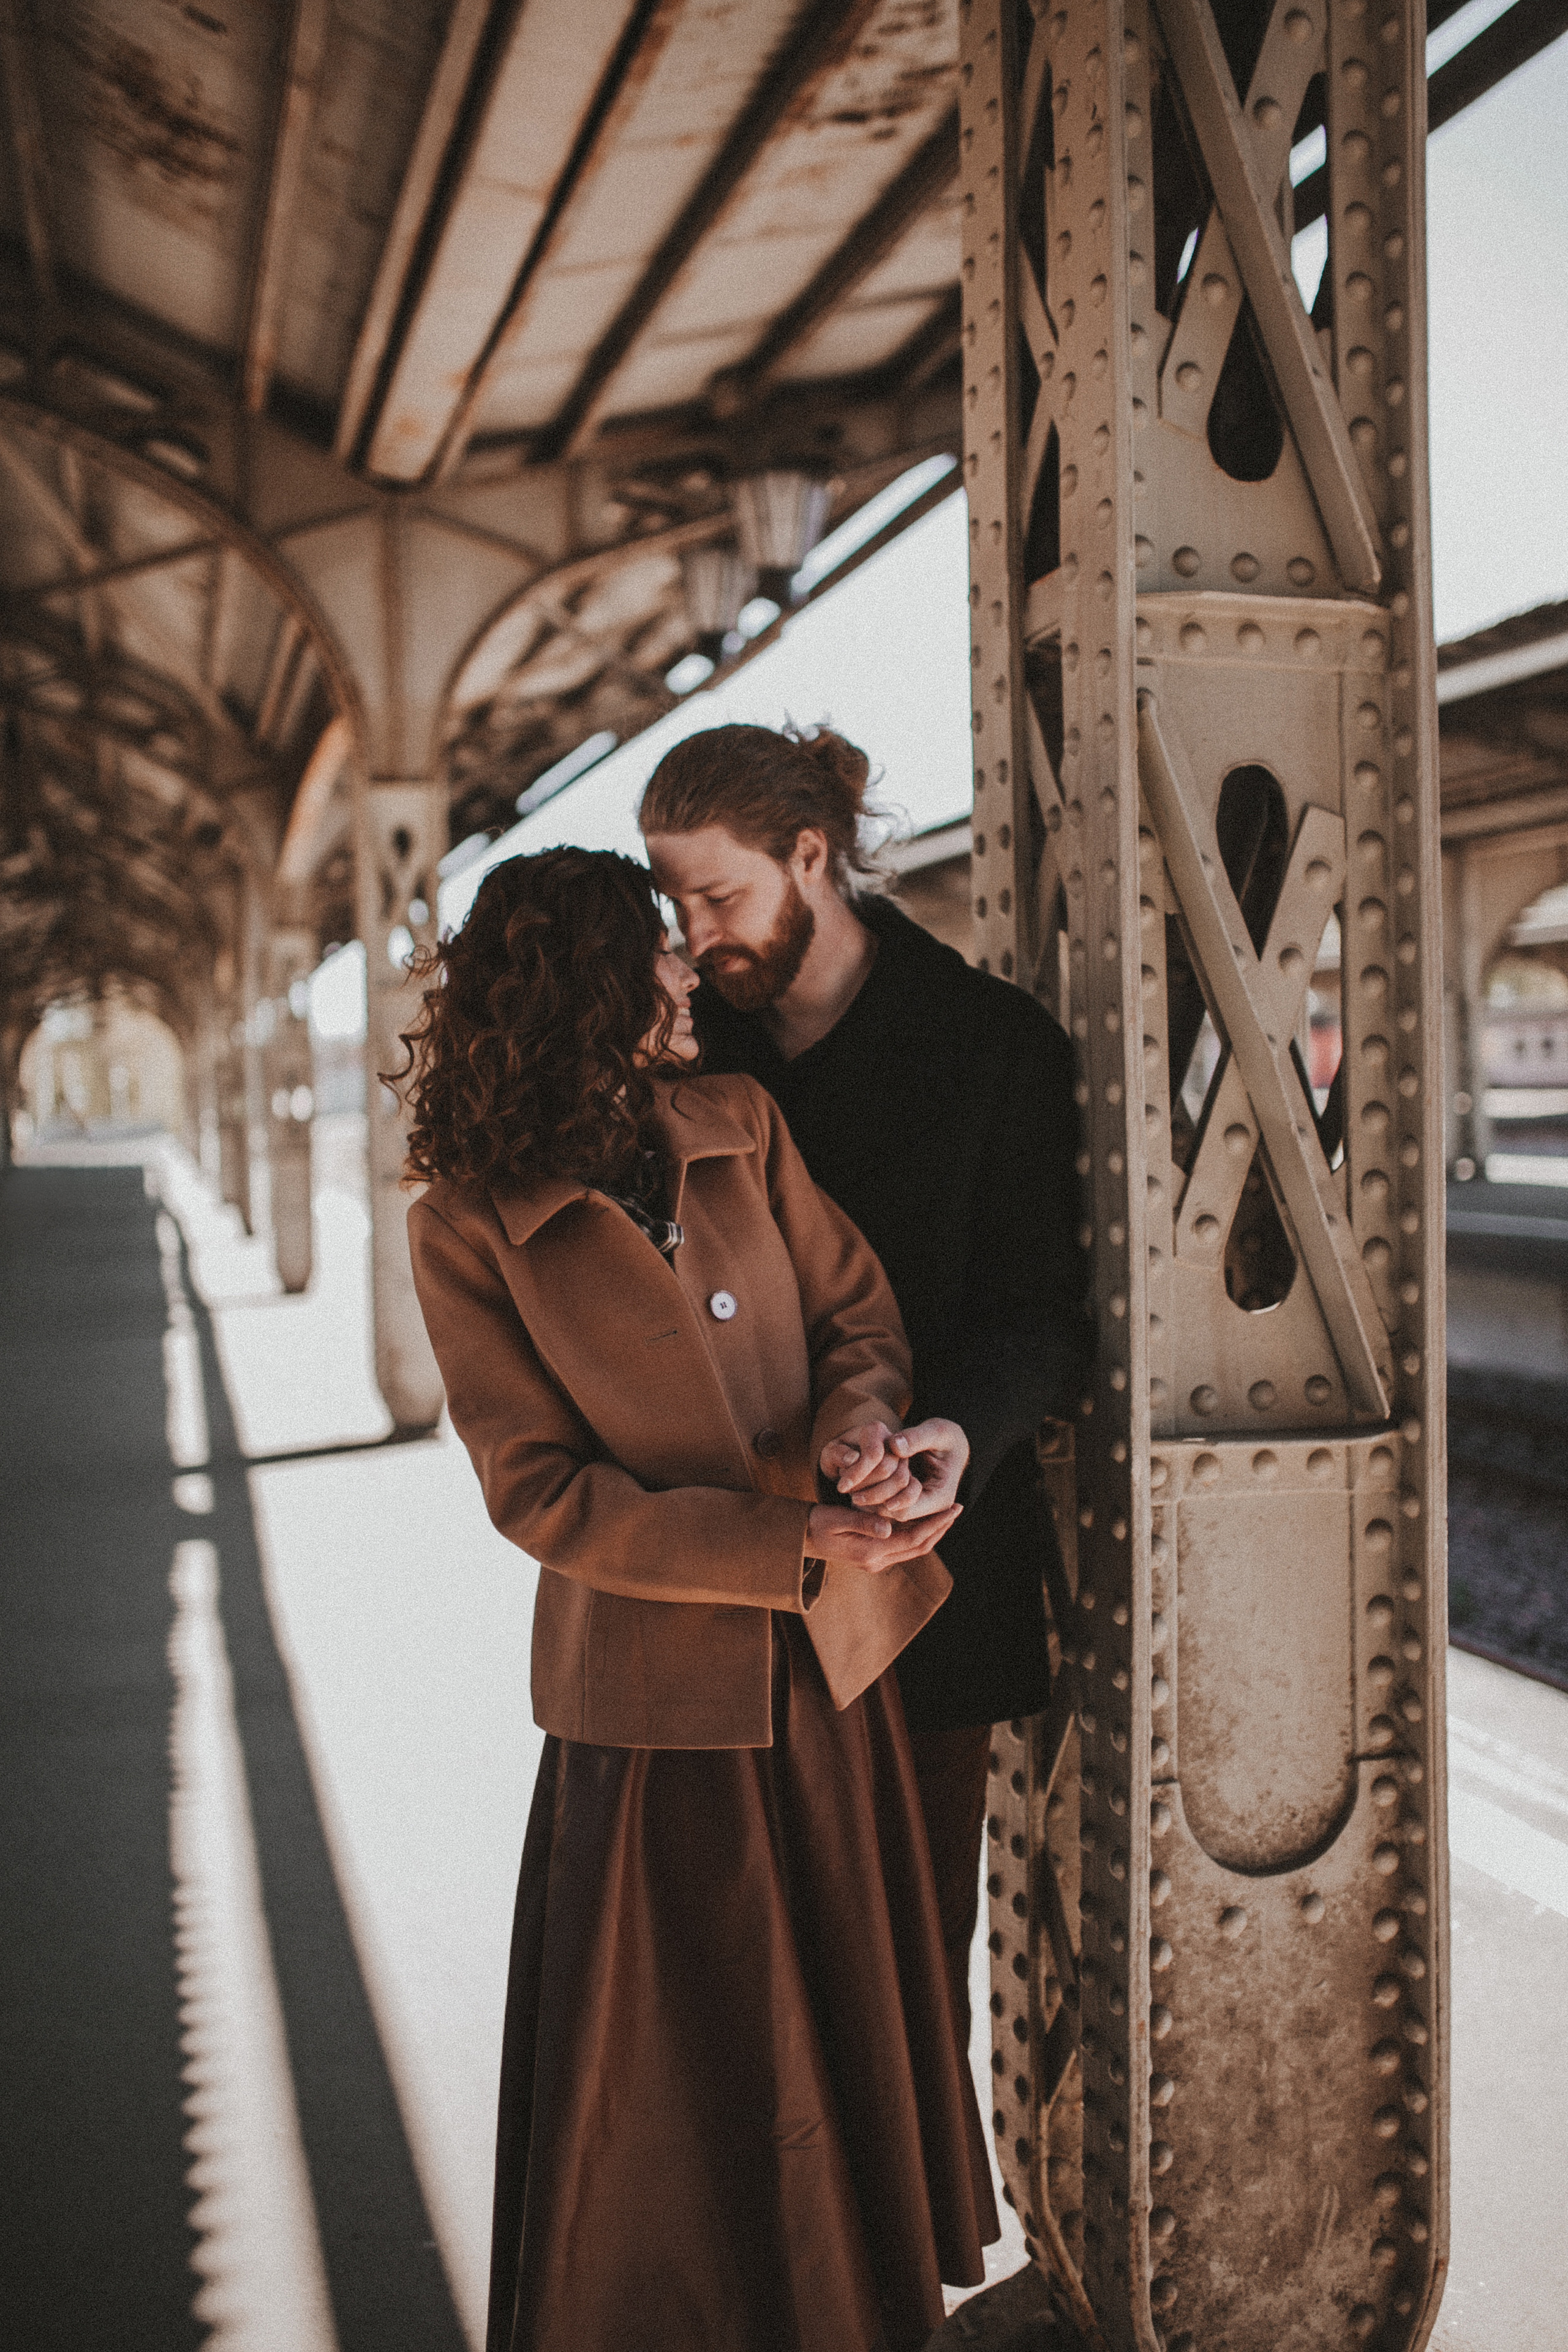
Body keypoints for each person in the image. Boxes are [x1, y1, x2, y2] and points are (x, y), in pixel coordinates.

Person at [396, 847, 998, 2352]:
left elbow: (858, 1312)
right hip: (654, 1706)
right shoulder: (465, 1220)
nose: (684, 972)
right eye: (656, 951)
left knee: (834, 2028)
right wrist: (784, 1548)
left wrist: (863, 1439)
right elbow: (538, 1493)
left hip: (825, 1667)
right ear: (586, 982)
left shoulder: (737, 1122)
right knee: (680, 2074)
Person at [641, 723, 1092, 2045]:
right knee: (719, 1983)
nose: (694, 932)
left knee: (896, 1975)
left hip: (921, 1574)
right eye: (672, 902)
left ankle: (893, 2253)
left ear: (810, 854)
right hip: (720, 1571)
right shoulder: (680, 1051)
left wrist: (955, 1432)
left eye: (717, 896)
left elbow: (1040, 1314)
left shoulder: (990, 1045)